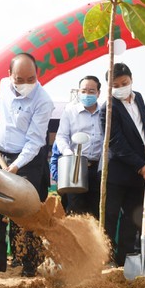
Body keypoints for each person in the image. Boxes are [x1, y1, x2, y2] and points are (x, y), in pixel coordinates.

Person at [0, 53, 54, 277]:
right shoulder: (4, 85)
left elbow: (35, 141)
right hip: (0, 153)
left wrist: (15, 167)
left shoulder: (43, 101)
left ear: (37, 75)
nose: (25, 84)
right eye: (19, 79)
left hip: (28, 161)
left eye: (30, 79)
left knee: (25, 212)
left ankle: (28, 262)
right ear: (9, 76)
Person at [100, 63, 145, 267]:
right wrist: (139, 164)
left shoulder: (139, 97)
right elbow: (116, 142)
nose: (121, 88)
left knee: (132, 219)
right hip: (116, 173)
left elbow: (143, 120)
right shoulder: (107, 108)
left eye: (124, 83)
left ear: (131, 79)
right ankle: (106, 258)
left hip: (138, 175)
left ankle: (124, 259)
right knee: (110, 216)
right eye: (115, 85)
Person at [55, 75, 103, 218]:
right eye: (84, 90)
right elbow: (61, 136)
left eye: (91, 91)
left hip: (98, 169)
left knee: (96, 211)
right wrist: (68, 153)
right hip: (75, 167)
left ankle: (96, 241)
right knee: (75, 211)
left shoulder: (106, 113)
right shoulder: (70, 112)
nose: (87, 94)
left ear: (98, 93)